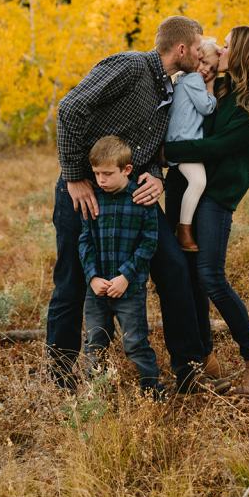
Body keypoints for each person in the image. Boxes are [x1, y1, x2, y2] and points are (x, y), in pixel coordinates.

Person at [47, 14, 227, 394]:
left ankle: (189, 369)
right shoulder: (129, 67)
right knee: (71, 282)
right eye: (198, 48)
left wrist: (156, 177)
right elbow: (70, 109)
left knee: (174, 267)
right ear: (181, 49)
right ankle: (61, 381)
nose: (201, 55)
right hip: (84, 194)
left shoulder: (173, 89)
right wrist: (75, 175)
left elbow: (151, 150)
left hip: (134, 202)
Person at [164, 26, 249, 397]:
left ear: (245, 52)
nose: (223, 49)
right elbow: (197, 125)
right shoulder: (224, 88)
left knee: (211, 277)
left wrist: (169, 154)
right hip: (185, 189)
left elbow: (221, 145)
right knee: (185, 278)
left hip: (216, 197)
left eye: (229, 45)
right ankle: (203, 358)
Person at [79, 136, 163, 395]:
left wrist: (125, 276)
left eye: (107, 173)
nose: (101, 180)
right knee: (95, 342)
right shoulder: (94, 199)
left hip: (130, 289)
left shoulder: (140, 199)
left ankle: (152, 390)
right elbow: (85, 241)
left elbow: (149, 243)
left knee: (136, 343)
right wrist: (93, 277)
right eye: (96, 174)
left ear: (126, 170)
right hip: (97, 290)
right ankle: (97, 392)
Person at [165, 37, 219, 252]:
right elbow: (207, 107)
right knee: (198, 181)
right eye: (203, 62)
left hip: (178, 142)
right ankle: (184, 229)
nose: (206, 70)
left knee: (194, 182)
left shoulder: (181, 80)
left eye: (213, 69)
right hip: (184, 144)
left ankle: (182, 227)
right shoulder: (195, 81)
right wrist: (212, 86)